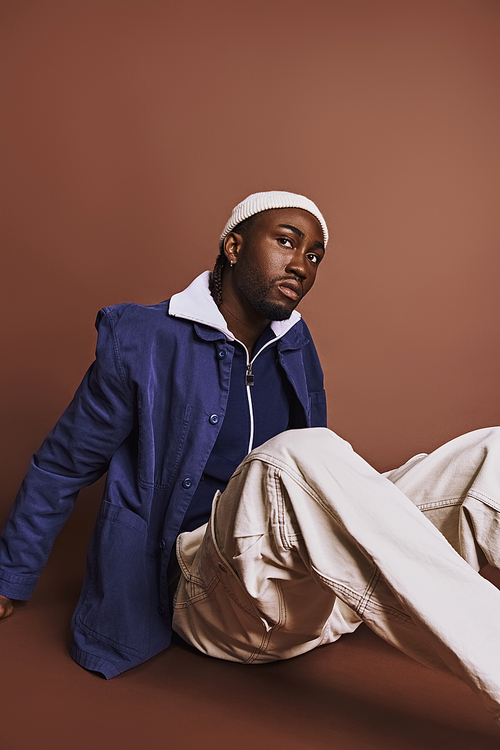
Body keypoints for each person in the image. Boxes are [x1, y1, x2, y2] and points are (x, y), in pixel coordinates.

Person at [2, 191, 500, 723]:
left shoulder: (292, 342)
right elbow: (62, 464)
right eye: (286, 241)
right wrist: (9, 576)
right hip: (209, 597)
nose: (301, 265)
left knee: (491, 451)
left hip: (312, 600)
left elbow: (324, 490)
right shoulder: (143, 339)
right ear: (233, 246)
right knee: (303, 451)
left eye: (313, 255)